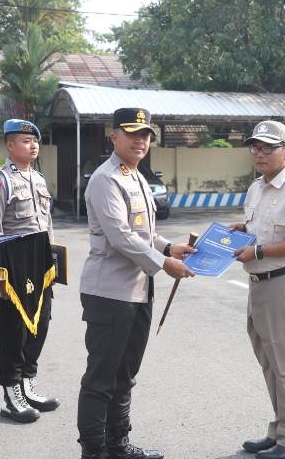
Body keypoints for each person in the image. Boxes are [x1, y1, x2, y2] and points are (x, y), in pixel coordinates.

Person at [77, 108, 195, 459]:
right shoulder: (105, 178)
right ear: (113, 137)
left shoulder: (137, 177)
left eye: (146, 134)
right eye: (132, 133)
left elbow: (145, 233)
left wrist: (169, 247)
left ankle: (118, 445)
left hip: (138, 291)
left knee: (125, 374)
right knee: (101, 378)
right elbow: (121, 237)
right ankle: (94, 451)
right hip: (109, 293)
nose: (141, 140)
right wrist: (164, 263)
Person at [230, 120, 285, 459]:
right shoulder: (257, 187)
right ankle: (282, 430)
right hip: (261, 285)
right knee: (271, 362)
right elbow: (262, 231)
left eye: (268, 147)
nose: (260, 153)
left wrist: (260, 251)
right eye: (255, 147)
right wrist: (241, 230)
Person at [0, 119, 59, 423]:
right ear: (10, 146)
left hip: (39, 265)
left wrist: (52, 259)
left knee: (40, 325)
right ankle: (11, 393)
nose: (33, 145)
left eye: (35, 140)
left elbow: (46, 223)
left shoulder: (38, 178)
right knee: (13, 331)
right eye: (25, 141)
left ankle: (28, 384)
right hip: (12, 268)